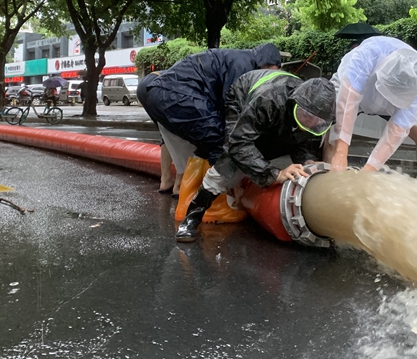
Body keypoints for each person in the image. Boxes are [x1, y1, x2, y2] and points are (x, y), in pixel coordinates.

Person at [176, 70, 336, 242]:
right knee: (230, 163)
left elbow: (304, 143)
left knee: (275, 145)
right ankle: (191, 218)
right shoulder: (268, 100)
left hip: (277, 110)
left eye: (317, 121)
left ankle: (246, 181)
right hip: (243, 94)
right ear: (295, 103)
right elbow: (238, 143)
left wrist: (307, 161)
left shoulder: (318, 117)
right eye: (307, 116)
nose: (311, 123)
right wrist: (275, 173)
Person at [137, 43, 283, 196]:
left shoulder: (240, 59)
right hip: (174, 93)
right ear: (266, 64)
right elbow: (231, 113)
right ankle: (220, 197)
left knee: (204, 140)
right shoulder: (243, 67)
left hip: (161, 93)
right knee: (218, 140)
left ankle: (183, 189)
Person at [324, 36, 417, 181]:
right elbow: (347, 101)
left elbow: (399, 128)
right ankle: (331, 185)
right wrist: (341, 153)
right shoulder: (368, 54)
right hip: (354, 87)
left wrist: (368, 171)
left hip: (396, 99)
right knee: (333, 137)